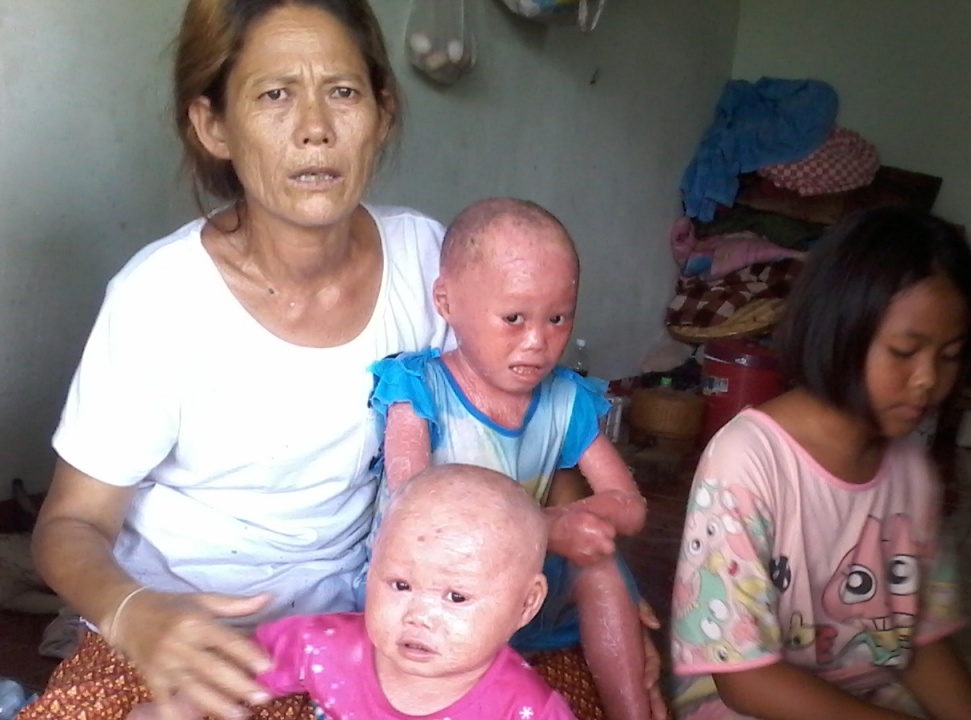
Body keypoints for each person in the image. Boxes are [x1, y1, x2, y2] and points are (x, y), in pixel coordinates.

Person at [20, 3, 660, 720]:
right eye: (275, 94)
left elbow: (534, 433)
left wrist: (598, 572)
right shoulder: (160, 298)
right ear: (214, 125)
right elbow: (69, 524)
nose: (315, 127)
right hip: (190, 631)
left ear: (382, 114)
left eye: (343, 92)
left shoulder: (430, 264)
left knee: (579, 693)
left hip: (389, 623)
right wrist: (132, 612)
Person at [668, 207, 971, 720]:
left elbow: (917, 637)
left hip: (871, 688)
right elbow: (745, 683)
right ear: (837, 332)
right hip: (753, 706)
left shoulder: (910, 471)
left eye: (949, 356)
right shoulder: (747, 459)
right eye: (905, 351)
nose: (928, 379)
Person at [363, 197, 661, 720]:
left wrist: (578, 523)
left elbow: (630, 506)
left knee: (600, 562)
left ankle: (631, 711)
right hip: (431, 591)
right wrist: (546, 527)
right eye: (514, 318)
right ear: (447, 302)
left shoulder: (566, 399)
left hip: (522, 588)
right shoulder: (419, 387)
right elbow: (414, 509)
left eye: (558, 318)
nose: (537, 342)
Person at [127, 464, 576, 720]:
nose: (418, 615)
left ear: (526, 604)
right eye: (400, 585)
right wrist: (177, 709)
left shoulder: (526, 710)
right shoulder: (330, 647)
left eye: (456, 597)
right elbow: (251, 661)